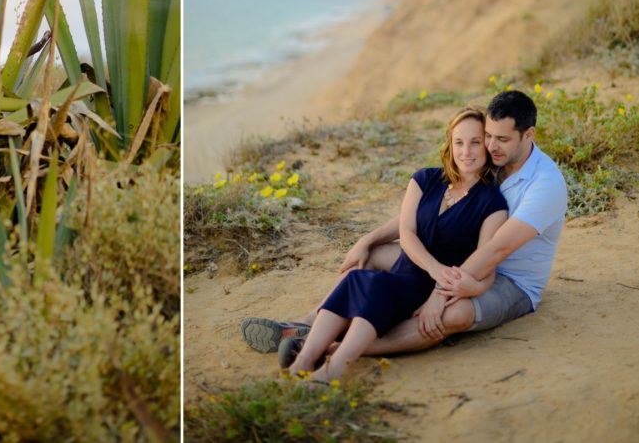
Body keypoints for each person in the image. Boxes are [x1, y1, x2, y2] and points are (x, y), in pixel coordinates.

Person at [241, 90, 568, 370]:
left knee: (451, 315)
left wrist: (438, 297)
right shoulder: (493, 163)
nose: (491, 146)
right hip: (455, 263)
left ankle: (337, 348)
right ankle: (305, 326)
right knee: (372, 259)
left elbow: (497, 250)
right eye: (489, 136)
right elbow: (432, 214)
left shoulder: (545, 184)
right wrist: (368, 239)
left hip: (509, 282)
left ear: (529, 136)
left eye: (502, 139)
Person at [279, 106, 508, 381]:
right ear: (449, 144)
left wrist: (440, 284)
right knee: (359, 279)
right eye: (459, 142)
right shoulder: (425, 179)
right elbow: (406, 233)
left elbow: (486, 264)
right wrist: (432, 266)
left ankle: (333, 369)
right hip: (405, 272)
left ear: (486, 145)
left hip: (431, 291)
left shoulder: (493, 203)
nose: (466, 152)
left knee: (370, 284)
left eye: (475, 142)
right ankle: (302, 361)